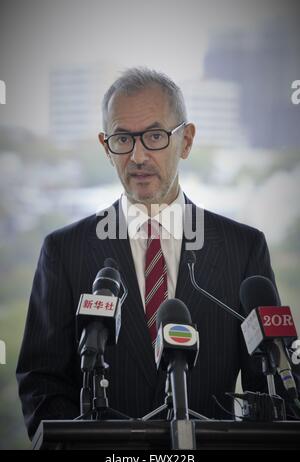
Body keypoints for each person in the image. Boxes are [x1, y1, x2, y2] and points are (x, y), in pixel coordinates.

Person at [17, 67, 299, 440]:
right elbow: (41, 383)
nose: (137, 156)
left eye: (154, 136)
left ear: (186, 140)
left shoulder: (243, 249)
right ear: (105, 146)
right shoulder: (63, 251)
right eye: (122, 139)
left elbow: (269, 387)